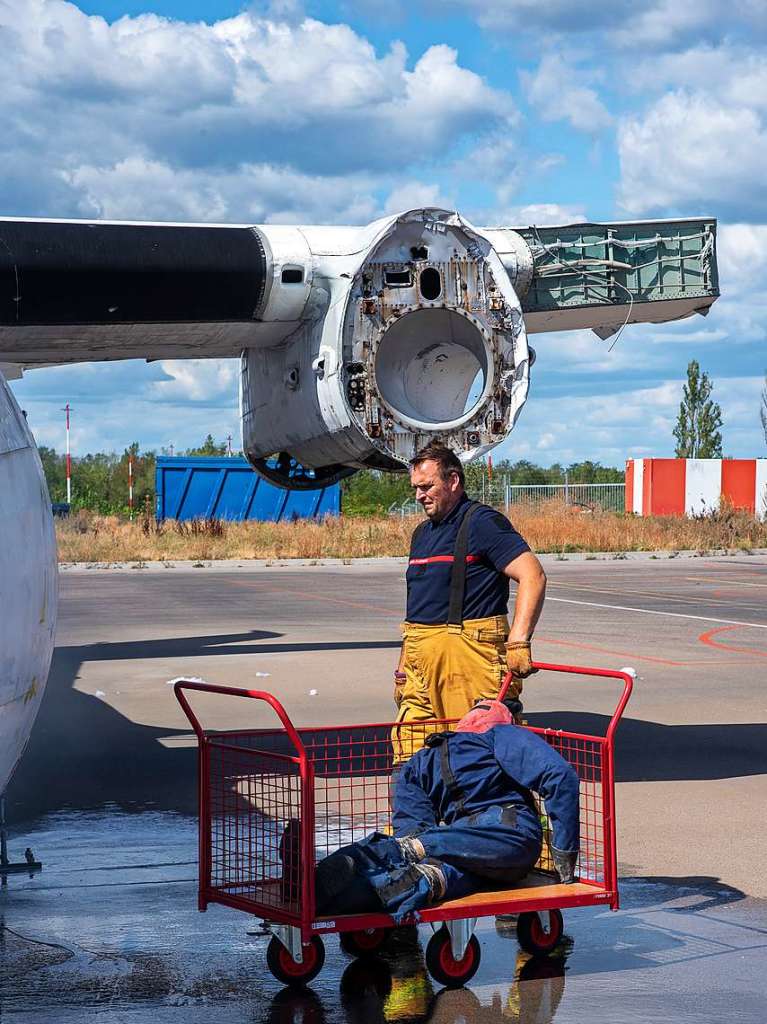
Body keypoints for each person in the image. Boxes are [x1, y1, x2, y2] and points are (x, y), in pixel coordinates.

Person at [311, 699, 579, 922]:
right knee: (431, 872)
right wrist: (564, 852)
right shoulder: (501, 734)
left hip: (457, 843)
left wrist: (416, 845)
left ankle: (327, 881)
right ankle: (406, 868)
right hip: (506, 837)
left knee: (428, 869)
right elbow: (560, 776)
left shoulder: (423, 759)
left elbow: (411, 822)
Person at [393, 443, 547, 762]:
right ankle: (412, 813)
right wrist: (403, 666)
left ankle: (512, 813)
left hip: (469, 658)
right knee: (409, 750)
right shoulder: (422, 534)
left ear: (453, 481)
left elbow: (533, 576)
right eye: (416, 489)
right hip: (421, 659)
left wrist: (518, 642)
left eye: (427, 486)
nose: (420, 495)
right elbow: (416, 606)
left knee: (479, 752)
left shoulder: (482, 523)